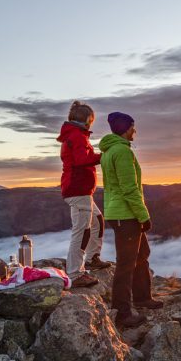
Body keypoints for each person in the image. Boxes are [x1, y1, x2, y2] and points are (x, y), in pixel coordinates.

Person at [99, 111, 163, 328]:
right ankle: (123, 313)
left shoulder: (110, 151)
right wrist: (143, 216)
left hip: (119, 213)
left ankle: (143, 297)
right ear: (125, 128)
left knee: (141, 253)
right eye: (132, 127)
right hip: (125, 215)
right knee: (126, 264)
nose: (135, 130)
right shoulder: (122, 152)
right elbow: (129, 189)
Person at [58, 101, 112, 289]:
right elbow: (82, 160)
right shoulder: (77, 136)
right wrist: (103, 156)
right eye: (91, 120)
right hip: (77, 189)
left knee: (96, 220)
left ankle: (92, 258)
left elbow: (81, 158)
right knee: (82, 231)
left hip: (81, 190)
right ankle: (74, 273)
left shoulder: (75, 135)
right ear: (88, 120)